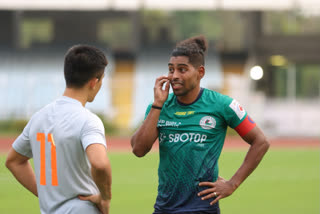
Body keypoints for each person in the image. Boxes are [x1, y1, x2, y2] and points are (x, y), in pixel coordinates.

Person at [131, 35, 270, 214]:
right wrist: (158, 104)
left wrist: (232, 184)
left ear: (200, 72)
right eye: (171, 70)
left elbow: (261, 142)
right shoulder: (159, 106)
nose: (174, 76)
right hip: (164, 208)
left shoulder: (222, 104)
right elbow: (139, 150)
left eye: (182, 70)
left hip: (202, 208)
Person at [5, 45, 112, 214]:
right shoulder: (88, 120)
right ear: (94, 82)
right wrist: (104, 198)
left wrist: (45, 195)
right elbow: (100, 164)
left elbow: (13, 161)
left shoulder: (38, 118)